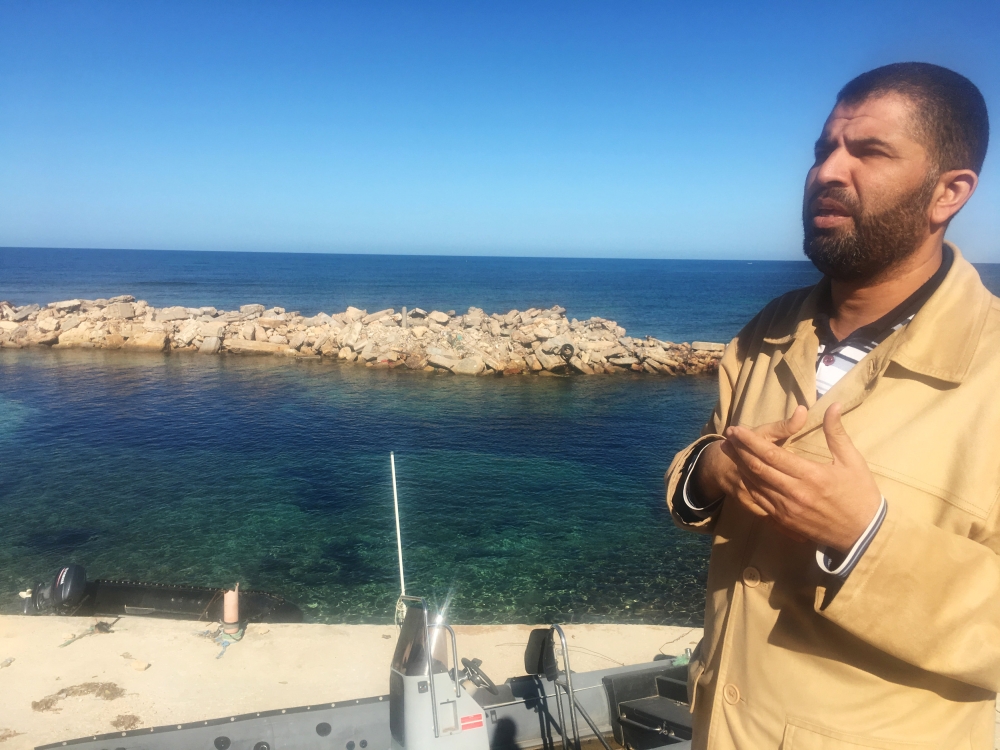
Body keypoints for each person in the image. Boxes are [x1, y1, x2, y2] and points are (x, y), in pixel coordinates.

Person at [664, 62, 994, 749]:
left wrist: (865, 539)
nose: (826, 172)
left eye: (869, 152)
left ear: (949, 192)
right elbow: (697, 470)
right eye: (823, 150)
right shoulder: (769, 328)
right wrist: (712, 471)